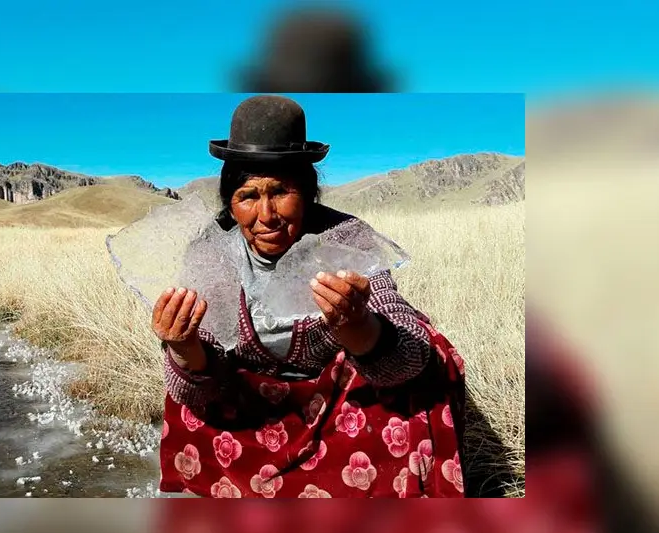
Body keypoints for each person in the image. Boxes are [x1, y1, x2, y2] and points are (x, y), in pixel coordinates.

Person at [153, 95, 467, 498]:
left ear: (308, 192)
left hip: (338, 420)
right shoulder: (210, 252)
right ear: (230, 203)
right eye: (248, 196)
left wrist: (358, 327)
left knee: (431, 363)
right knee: (184, 390)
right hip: (250, 415)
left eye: (281, 191)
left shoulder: (345, 238)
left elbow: (409, 359)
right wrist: (183, 346)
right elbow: (198, 390)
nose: (266, 215)